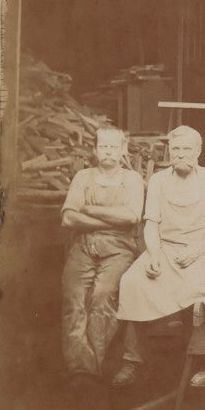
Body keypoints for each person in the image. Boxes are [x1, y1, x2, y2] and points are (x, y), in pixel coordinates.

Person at [113, 126, 205, 388]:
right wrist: (153, 253)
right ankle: (132, 359)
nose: (181, 154)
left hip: (203, 252)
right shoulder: (158, 181)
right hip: (165, 249)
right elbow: (151, 224)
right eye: (176, 149)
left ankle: (202, 364)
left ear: (199, 151)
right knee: (133, 281)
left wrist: (197, 251)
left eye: (187, 149)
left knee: (202, 291)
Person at [60, 127, 143, 381]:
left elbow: (131, 216)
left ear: (122, 151)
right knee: (73, 297)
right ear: (95, 151)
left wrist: (88, 208)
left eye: (113, 147)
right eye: (103, 146)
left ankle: (95, 363)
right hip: (83, 245)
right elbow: (68, 218)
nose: (108, 151)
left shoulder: (132, 179)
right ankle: (80, 369)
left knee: (102, 295)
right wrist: (109, 220)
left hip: (119, 249)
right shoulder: (83, 176)